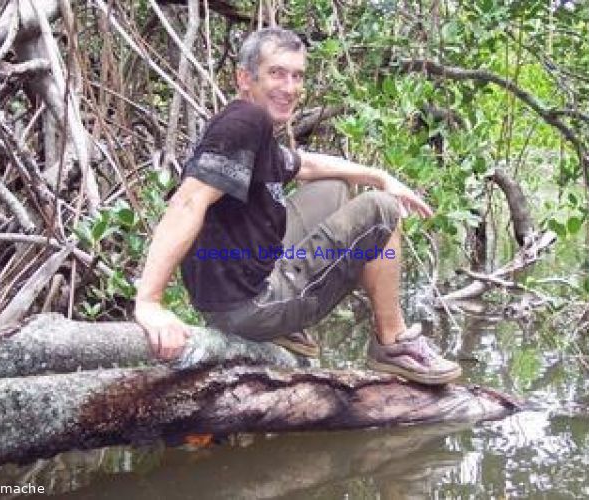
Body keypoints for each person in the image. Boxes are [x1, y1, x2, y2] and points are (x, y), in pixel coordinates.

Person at [134, 28, 461, 385]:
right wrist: (149, 302)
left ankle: (284, 328)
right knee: (382, 211)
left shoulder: (253, 130)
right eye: (276, 73)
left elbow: (305, 165)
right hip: (247, 309)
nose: (289, 88)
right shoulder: (245, 122)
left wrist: (380, 175)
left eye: (297, 76)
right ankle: (393, 342)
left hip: (236, 295)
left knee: (333, 188)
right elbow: (187, 202)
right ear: (245, 78)